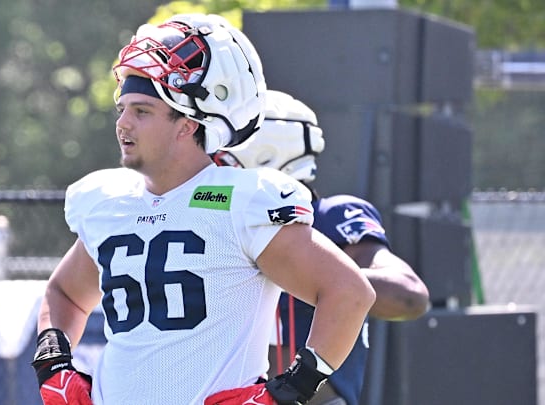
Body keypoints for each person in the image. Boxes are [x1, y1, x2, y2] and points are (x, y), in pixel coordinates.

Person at [30, 14, 376, 405]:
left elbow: (349, 292)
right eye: (122, 109)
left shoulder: (242, 201)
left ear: (189, 125)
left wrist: (289, 391)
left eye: (142, 111)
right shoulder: (110, 202)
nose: (123, 123)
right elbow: (65, 293)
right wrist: (53, 363)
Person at [212, 89, 431, 405]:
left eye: (222, 155)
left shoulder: (331, 217)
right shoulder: (212, 222)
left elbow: (409, 296)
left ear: (268, 154)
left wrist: (318, 277)